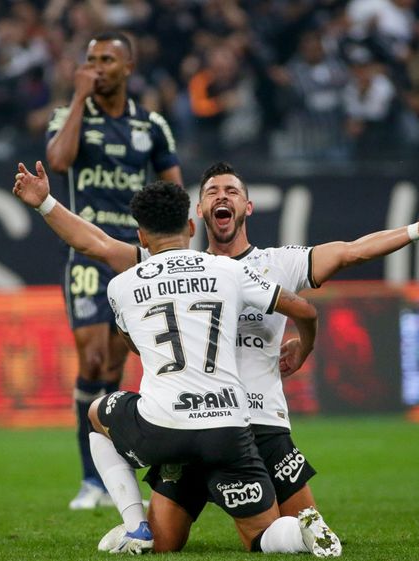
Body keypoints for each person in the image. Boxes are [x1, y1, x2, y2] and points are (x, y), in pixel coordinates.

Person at [12, 160, 419, 553]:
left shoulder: (277, 263)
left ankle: (146, 522)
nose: (222, 195)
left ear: (246, 207)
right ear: (198, 214)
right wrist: (47, 203)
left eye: (232, 190)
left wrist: (414, 230)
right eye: (211, 190)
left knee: (285, 525)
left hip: (261, 423)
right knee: (174, 541)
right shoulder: (179, 265)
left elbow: (350, 253)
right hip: (219, 421)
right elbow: (93, 241)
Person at [18, 173, 336, 555]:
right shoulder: (228, 270)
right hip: (230, 427)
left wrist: (44, 203)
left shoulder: (122, 284)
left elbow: (131, 340)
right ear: (191, 225)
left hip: (165, 428)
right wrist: (302, 347)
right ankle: (299, 533)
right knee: (262, 536)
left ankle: (135, 526)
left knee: (97, 414)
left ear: (140, 237)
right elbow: (303, 308)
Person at [45, 29, 182, 509]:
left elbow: (174, 195)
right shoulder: (70, 116)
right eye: (91, 59)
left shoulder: (152, 126)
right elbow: (58, 161)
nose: (97, 66)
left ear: (129, 67)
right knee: (92, 360)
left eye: (107, 59)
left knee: (119, 365)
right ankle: (90, 480)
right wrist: (79, 97)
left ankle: (115, 468)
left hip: (135, 258)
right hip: (86, 254)